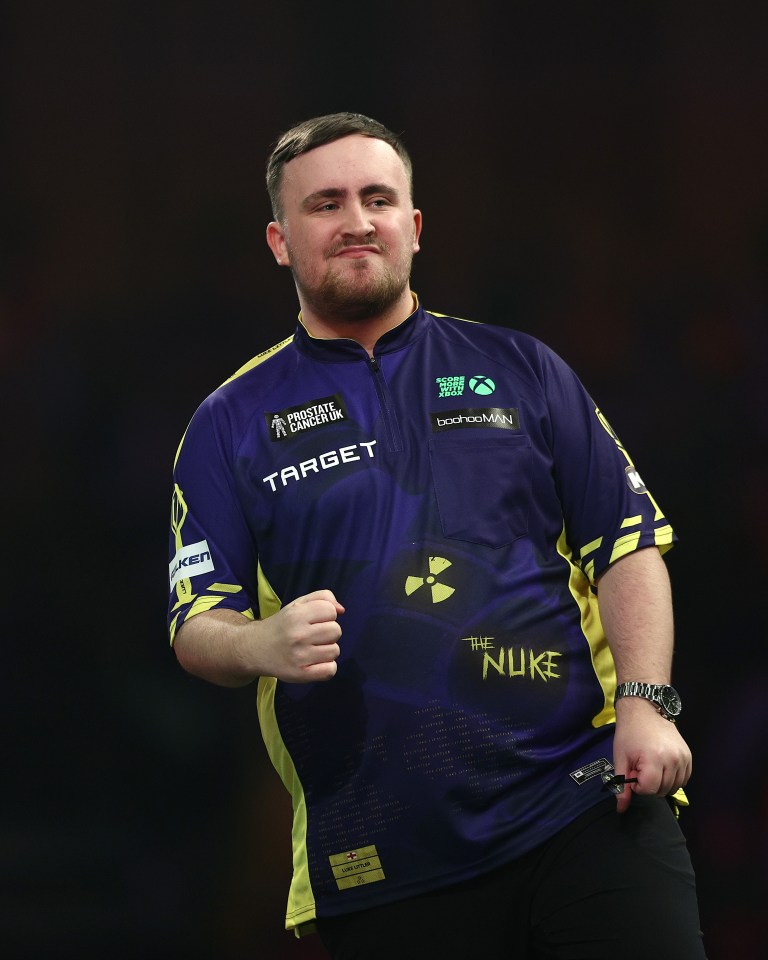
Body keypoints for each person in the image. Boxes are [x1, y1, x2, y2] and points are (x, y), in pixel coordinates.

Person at [167, 112, 707, 959]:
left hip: (585, 803)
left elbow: (628, 544)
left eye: (378, 198)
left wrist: (646, 706)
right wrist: (261, 642)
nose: (356, 220)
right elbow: (196, 623)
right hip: (383, 854)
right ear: (279, 240)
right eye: (325, 204)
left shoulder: (523, 368)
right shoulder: (228, 421)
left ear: (413, 227)